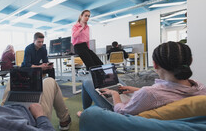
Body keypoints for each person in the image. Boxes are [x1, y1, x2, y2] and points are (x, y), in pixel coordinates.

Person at [78, 41, 206, 116]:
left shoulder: (150, 93)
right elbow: (165, 92)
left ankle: (85, 113)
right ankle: (114, 89)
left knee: (87, 82)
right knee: (118, 83)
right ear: (190, 61)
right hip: (144, 100)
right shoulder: (200, 88)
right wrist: (137, 89)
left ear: (155, 64)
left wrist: (115, 95)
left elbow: (122, 112)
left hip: (118, 113)